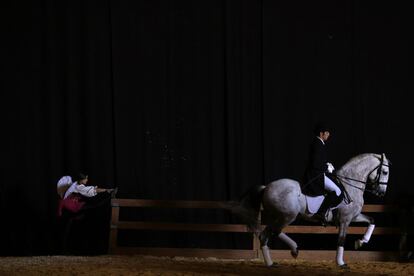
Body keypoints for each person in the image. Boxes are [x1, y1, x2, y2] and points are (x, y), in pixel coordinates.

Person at [56, 173, 117, 254]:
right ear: (81, 180)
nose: (87, 180)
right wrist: (106, 190)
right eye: (86, 179)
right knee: (94, 206)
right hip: (71, 210)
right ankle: (65, 250)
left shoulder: (75, 186)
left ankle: (67, 249)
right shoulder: (77, 186)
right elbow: (91, 190)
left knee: (71, 228)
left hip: (72, 210)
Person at [302, 123, 343, 225]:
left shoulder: (319, 143)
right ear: (321, 133)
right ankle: (321, 213)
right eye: (327, 133)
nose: (328, 135)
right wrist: (326, 167)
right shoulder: (317, 144)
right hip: (316, 176)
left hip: (319, 174)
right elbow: (315, 163)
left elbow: (319, 160)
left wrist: (327, 164)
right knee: (337, 191)